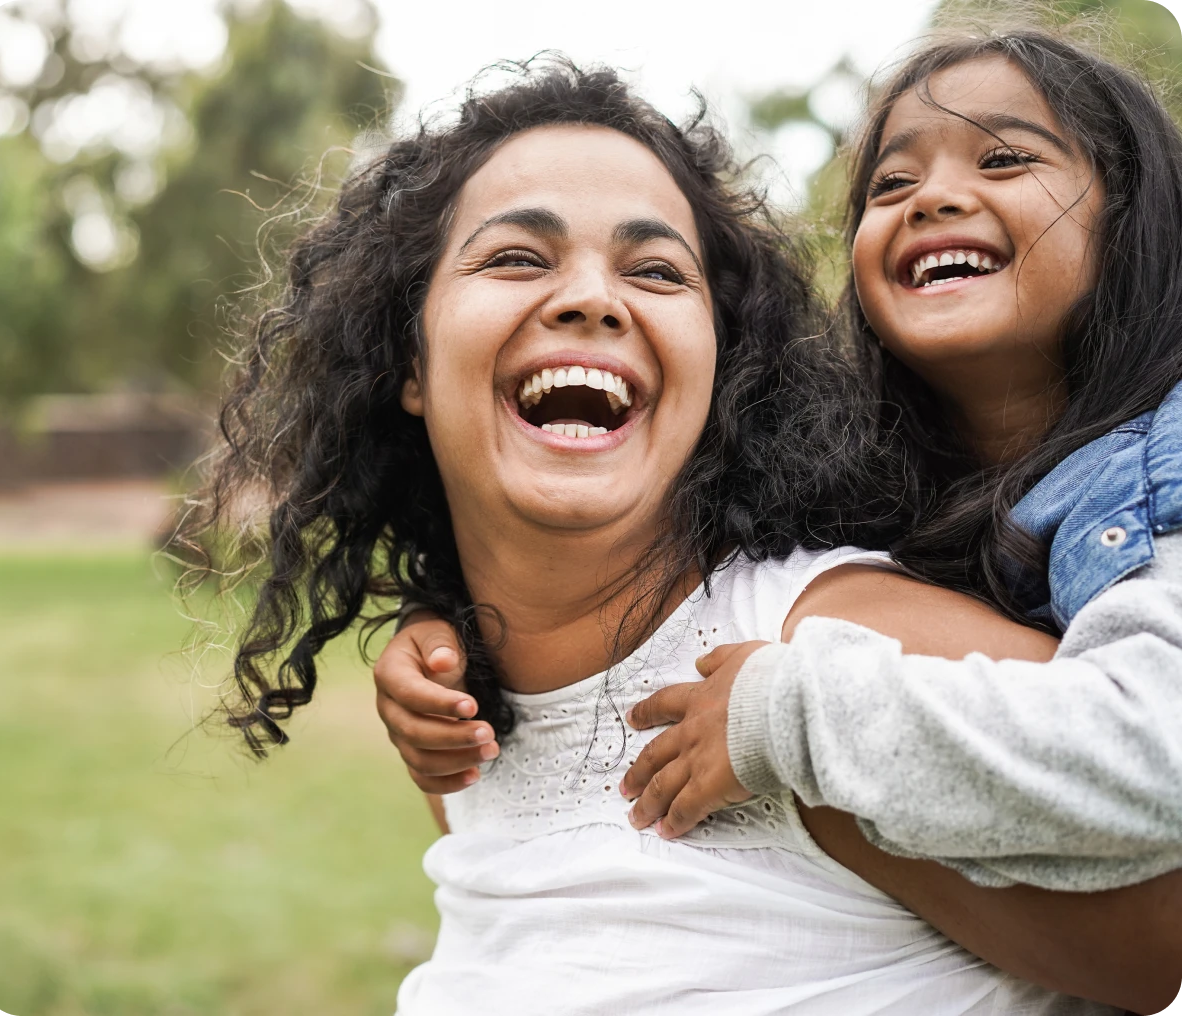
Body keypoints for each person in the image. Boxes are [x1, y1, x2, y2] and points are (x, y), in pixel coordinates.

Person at [370, 35, 1182, 1015]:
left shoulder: (832, 649)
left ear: (727, 367)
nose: (590, 298)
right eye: (513, 256)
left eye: (659, 271)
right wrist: (440, 621)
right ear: (404, 359)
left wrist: (790, 724)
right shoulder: (462, 711)